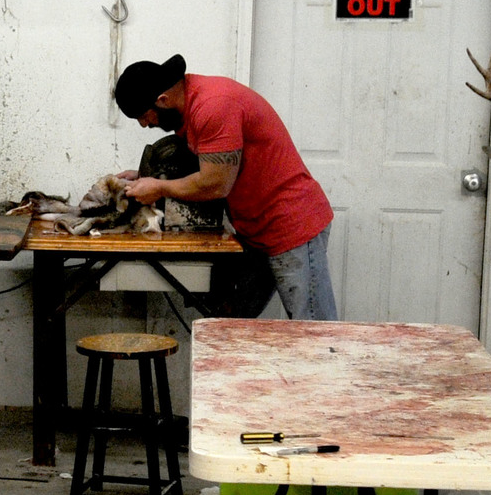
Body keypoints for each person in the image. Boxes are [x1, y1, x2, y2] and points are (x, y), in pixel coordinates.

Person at [112, 54, 337, 320]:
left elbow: (216, 184)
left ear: (163, 100)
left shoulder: (213, 106)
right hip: (255, 230)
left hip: (291, 226)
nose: (145, 124)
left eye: (143, 116)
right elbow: (207, 163)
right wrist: (145, 176)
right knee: (228, 322)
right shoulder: (188, 106)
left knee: (315, 332)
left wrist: (159, 187)